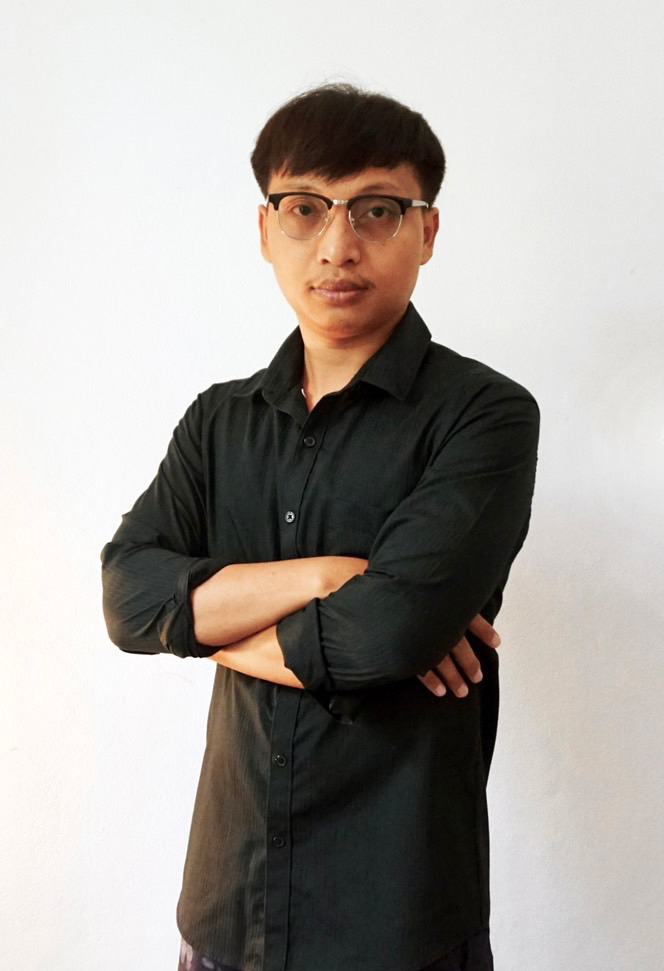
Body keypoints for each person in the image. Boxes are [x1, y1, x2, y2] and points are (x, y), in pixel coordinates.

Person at [101, 83, 539, 971]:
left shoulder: (484, 415)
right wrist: (329, 576)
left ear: (427, 230)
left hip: (400, 920)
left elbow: (384, 634)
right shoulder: (217, 423)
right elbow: (126, 597)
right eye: (305, 208)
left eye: (377, 209)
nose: (338, 245)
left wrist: (202, 628)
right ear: (267, 230)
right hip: (227, 910)